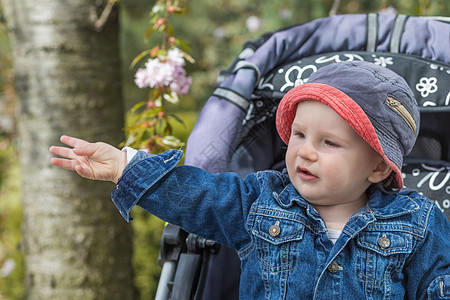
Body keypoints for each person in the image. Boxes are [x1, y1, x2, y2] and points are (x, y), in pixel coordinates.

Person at [49, 61, 450, 299]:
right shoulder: (260, 201)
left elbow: (440, 284)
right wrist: (124, 166)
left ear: (378, 168)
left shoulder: (418, 223)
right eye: (299, 135)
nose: (305, 151)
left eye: (329, 143)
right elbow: (197, 196)